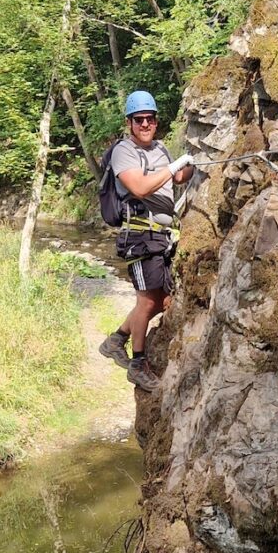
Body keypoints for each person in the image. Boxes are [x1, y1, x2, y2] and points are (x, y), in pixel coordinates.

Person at [98, 91, 193, 393]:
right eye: (139, 120)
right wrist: (174, 166)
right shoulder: (123, 152)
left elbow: (177, 180)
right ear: (129, 122)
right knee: (148, 301)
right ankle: (138, 363)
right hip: (139, 235)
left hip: (161, 236)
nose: (145, 124)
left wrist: (190, 164)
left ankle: (116, 340)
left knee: (163, 301)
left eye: (150, 119)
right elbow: (139, 187)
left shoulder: (161, 149)